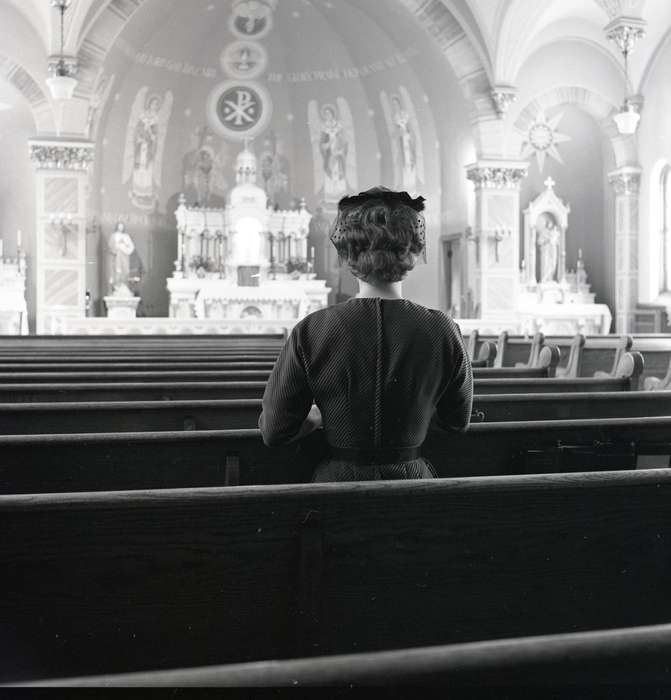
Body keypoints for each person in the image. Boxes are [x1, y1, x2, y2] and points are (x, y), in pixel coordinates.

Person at [259, 187, 473, 482]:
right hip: (414, 484)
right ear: (412, 252)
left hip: (338, 484)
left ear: (347, 255)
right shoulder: (443, 329)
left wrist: (318, 417)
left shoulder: (311, 330)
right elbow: (457, 422)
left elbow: (274, 431)